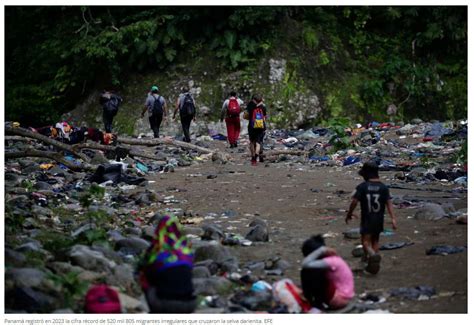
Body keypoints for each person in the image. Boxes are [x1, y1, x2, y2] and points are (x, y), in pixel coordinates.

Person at [346, 161, 397, 274]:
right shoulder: (383, 187)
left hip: (367, 218)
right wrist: (393, 218)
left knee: (365, 241)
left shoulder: (363, 187)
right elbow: (389, 203)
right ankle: (371, 259)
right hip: (379, 218)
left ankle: (372, 255)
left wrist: (349, 213)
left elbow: (354, 202)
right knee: (375, 241)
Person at [138, 214, 196, 313]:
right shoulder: (186, 252)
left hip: (163, 304)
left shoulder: (156, 251)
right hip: (190, 304)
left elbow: (146, 275)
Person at [301, 235, 354, 311]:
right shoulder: (331, 258)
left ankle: (315, 303)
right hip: (344, 296)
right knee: (310, 271)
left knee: (307, 271)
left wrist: (322, 250)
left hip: (339, 298)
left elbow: (305, 264)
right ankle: (312, 300)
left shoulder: (329, 261)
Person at [245, 94, 267, 166]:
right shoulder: (263, 107)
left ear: (254, 100)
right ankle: (256, 157)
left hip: (252, 126)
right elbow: (265, 117)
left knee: (252, 142)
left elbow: (246, 115)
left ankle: (253, 157)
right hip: (261, 126)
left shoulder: (250, 106)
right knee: (258, 143)